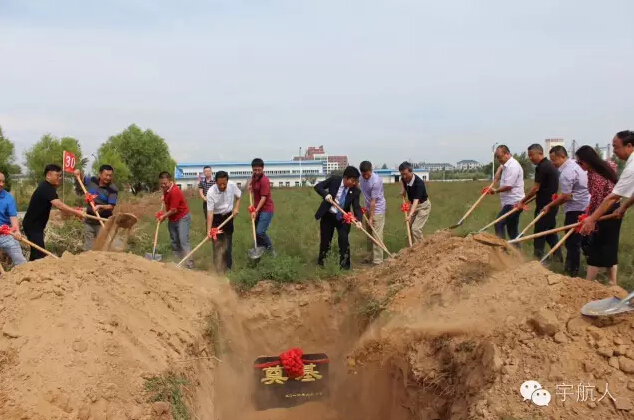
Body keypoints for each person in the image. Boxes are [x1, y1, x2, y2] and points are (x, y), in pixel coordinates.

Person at [574, 146, 621, 285]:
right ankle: (613, 283)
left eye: (580, 162)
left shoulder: (596, 176)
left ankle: (587, 285)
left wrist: (589, 218)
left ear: (588, 161)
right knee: (609, 248)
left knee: (596, 249)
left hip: (606, 212)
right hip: (611, 209)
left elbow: (597, 200)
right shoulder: (607, 166)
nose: (579, 165)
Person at [543, 146, 590, 277]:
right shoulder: (577, 165)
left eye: (554, 160)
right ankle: (593, 266)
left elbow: (566, 196)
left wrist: (550, 205)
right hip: (587, 208)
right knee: (585, 241)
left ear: (562, 157)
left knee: (572, 242)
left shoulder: (566, 172)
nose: (552, 163)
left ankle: (572, 272)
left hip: (575, 210)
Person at [22, 164, 85, 261]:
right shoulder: (46, 188)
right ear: (48, 176)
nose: (59, 178)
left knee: (36, 252)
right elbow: (59, 205)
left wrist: (74, 212)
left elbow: (61, 209)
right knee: (40, 254)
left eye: (60, 176)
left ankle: (30, 271)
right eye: (57, 176)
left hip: (36, 226)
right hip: (32, 226)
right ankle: (35, 272)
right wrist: (76, 212)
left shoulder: (49, 188)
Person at [314, 166, 363, 270]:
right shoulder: (334, 180)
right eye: (352, 180)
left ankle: (345, 266)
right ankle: (321, 264)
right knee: (325, 241)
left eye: (355, 181)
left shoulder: (355, 191)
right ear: (345, 178)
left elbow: (356, 207)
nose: (354, 183)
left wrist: (359, 220)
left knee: (344, 240)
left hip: (343, 217)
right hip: (329, 215)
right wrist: (326, 195)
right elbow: (318, 186)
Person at [519, 144, 562, 260]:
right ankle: (558, 258)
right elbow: (544, 188)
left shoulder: (541, 167)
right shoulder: (550, 165)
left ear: (540, 153)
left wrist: (522, 201)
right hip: (552, 205)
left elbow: (535, 189)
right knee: (549, 233)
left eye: (531, 155)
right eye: (528, 155)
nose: (530, 158)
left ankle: (537, 260)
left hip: (545, 207)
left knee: (539, 234)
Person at [74, 165, 118, 251]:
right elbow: (81, 179)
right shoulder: (92, 180)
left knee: (102, 248)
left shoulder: (113, 189)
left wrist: (100, 206)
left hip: (103, 222)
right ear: (100, 174)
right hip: (89, 220)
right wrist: (78, 173)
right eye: (106, 175)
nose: (108, 177)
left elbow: (111, 206)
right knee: (88, 247)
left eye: (110, 175)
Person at [206, 171, 241, 274]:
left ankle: (228, 270)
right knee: (217, 245)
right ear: (215, 182)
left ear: (227, 181)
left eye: (224, 184)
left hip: (229, 217)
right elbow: (210, 213)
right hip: (216, 219)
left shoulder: (231, 186)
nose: (222, 186)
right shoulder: (211, 192)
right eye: (220, 184)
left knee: (228, 244)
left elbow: (239, 196)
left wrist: (236, 208)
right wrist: (208, 230)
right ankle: (218, 271)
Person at [488, 145, 525, 241]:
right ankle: (517, 253)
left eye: (500, 156)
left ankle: (502, 250)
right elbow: (501, 167)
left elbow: (508, 186)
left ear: (507, 154)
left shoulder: (513, 166)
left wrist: (495, 190)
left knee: (499, 223)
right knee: (512, 229)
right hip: (510, 201)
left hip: (514, 202)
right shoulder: (506, 164)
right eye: (497, 157)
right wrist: (498, 170)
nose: (498, 159)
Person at [158, 172, 193, 269]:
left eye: (165, 183)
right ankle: (178, 261)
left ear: (170, 181)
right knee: (174, 240)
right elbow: (166, 197)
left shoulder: (175, 191)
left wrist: (163, 217)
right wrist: (164, 197)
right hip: (173, 218)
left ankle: (189, 263)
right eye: (161, 183)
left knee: (183, 240)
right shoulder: (166, 189)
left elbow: (174, 210)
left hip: (182, 217)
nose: (163, 185)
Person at [247, 158, 275, 257]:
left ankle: (271, 250)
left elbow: (263, 198)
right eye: (255, 170)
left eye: (259, 170)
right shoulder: (254, 177)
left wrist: (256, 210)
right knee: (255, 230)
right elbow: (251, 181)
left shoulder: (264, 181)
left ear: (263, 169)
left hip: (266, 209)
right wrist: (250, 185)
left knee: (260, 232)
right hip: (257, 208)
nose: (257, 172)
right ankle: (259, 249)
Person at [359, 161, 386, 264]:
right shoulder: (361, 178)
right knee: (369, 234)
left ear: (371, 170)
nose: (366, 176)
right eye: (363, 174)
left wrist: (371, 217)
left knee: (376, 234)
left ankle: (378, 260)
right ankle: (370, 256)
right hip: (367, 207)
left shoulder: (376, 181)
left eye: (368, 174)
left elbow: (373, 201)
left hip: (377, 209)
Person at [398, 162, 431, 243]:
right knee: (409, 226)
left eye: (406, 174)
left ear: (411, 171)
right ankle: (412, 247)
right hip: (414, 205)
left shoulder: (419, 183)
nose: (404, 176)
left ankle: (420, 247)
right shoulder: (403, 179)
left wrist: (410, 215)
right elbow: (402, 181)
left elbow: (416, 201)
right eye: (402, 174)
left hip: (423, 206)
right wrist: (403, 190)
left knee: (415, 228)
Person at [0, 172, 26, 267]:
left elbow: (13, 218)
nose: (1, 184)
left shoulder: (8, 198)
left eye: (3, 182)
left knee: (20, 261)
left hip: (5, 234)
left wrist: (17, 231)